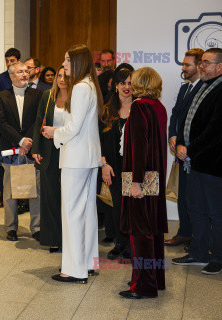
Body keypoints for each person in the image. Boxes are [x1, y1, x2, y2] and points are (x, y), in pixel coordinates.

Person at [42, 44, 103, 283]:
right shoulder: (89, 85)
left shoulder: (79, 87)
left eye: (67, 60)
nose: (64, 65)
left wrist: (53, 133)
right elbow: (81, 125)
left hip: (76, 158)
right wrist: (60, 131)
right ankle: (87, 263)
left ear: (78, 62)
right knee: (86, 211)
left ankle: (73, 269)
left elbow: (73, 127)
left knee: (71, 213)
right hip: (88, 158)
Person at [119, 67, 168, 299]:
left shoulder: (139, 106)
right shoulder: (159, 107)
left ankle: (143, 286)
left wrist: (136, 182)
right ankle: (155, 279)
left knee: (140, 232)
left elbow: (139, 146)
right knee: (153, 230)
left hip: (140, 177)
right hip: (154, 176)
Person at [173, 48, 222, 275]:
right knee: (197, 210)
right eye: (201, 62)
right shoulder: (203, 86)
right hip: (193, 162)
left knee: (216, 213)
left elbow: (214, 131)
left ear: (219, 67)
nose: (201, 66)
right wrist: (181, 142)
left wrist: (188, 149)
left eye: (206, 62)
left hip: (213, 165)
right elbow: (188, 120)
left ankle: (218, 257)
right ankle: (199, 253)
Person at [0, 61, 43, 241]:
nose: (24, 74)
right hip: (11, 150)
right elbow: (1, 124)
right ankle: (11, 227)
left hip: (32, 149)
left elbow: (39, 121)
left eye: (26, 71)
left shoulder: (38, 95)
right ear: (12, 76)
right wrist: (21, 140)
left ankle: (36, 227)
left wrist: (28, 142)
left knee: (35, 190)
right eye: (20, 72)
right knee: (10, 190)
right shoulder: (1, 97)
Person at [164, 48, 204, 247]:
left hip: (194, 152)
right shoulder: (184, 88)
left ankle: (197, 238)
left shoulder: (204, 88)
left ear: (199, 66)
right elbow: (175, 115)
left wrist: (183, 142)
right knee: (183, 195)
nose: (184, 68)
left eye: (188, 65)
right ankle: (184, 233)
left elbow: (198, 122)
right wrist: (173, 135)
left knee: (195, 198)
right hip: (180, 150)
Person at [32, 66, 67, 253]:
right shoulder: (47, 96)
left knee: (67, 197)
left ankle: (68, 238)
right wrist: (36, 148)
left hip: (70, 152)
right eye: (59, 76)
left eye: (65, 76)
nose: (61, 79)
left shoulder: (77, 98)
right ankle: (53, 238)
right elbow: (39, 122)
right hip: (49, 152)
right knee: (50, 196)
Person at [100, 68, 133, 260]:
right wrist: (104, 164)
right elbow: (99, 140)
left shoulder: (140, 107)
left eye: (130, 83)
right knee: (117, 208)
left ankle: (131, 245)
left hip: (133, 167)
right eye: (123, 83)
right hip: (112, 167)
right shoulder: (107, 109)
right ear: (116, 86)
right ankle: (119, 243)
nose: (126, 87)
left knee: (131, 208)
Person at [0, 48, 21, 207]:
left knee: (21, 163)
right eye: (7, 60)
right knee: (4, 162)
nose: (9, 63)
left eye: (12, 60)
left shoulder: (23, 77)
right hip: (3, 129)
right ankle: (3, 195)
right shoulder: (0, 79)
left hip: (21, 129)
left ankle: (22, 198)